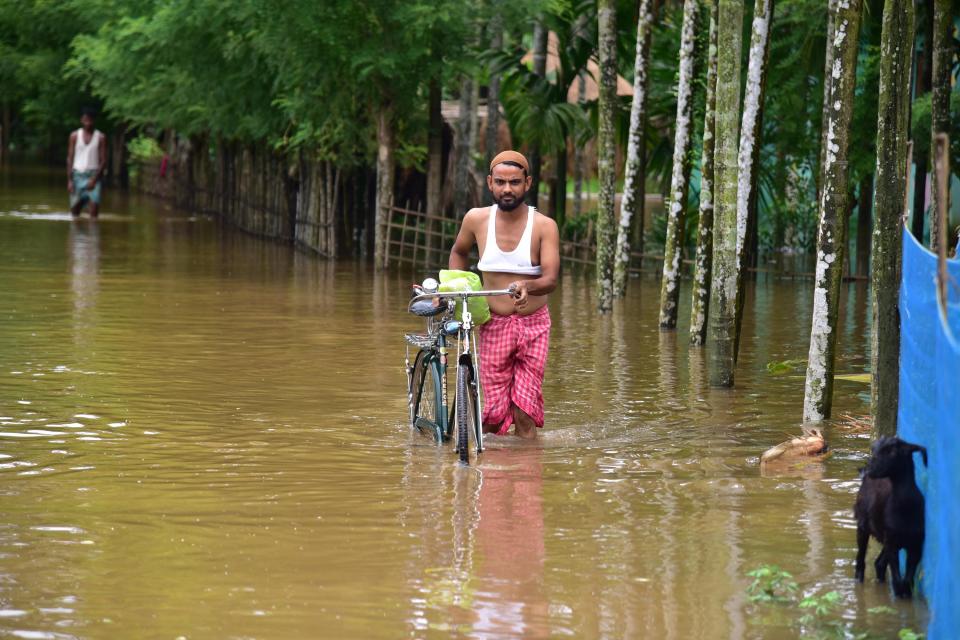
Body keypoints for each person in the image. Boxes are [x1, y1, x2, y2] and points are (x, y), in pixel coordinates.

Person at [449, 150, 560, 439]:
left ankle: (526, 477)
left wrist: (528, 286)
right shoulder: (476, 220)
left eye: (514, 182)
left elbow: (550, 278)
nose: (507, 188)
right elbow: (459, 252)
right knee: (493, 417)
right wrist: (456, 286)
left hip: (534, 324)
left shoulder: (545, 226)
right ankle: (495, 477)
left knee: (524, 413)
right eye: (500, 182)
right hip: (493, 324)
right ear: (490, 183)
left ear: (528, 183)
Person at [67, 107, 108, 218]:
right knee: (75, 212)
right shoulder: (74, 136)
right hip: (77, 176)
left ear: (94, 121)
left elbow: (103, 160)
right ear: (81, 120)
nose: (88, 123)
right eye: (85, 120)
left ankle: (93, 234)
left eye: (90, 120)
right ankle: (76, 235)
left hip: (93, 176)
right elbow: (70, 158)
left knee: (94, 212)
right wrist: (70, 180)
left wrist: (94, 180)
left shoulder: (101, 137)